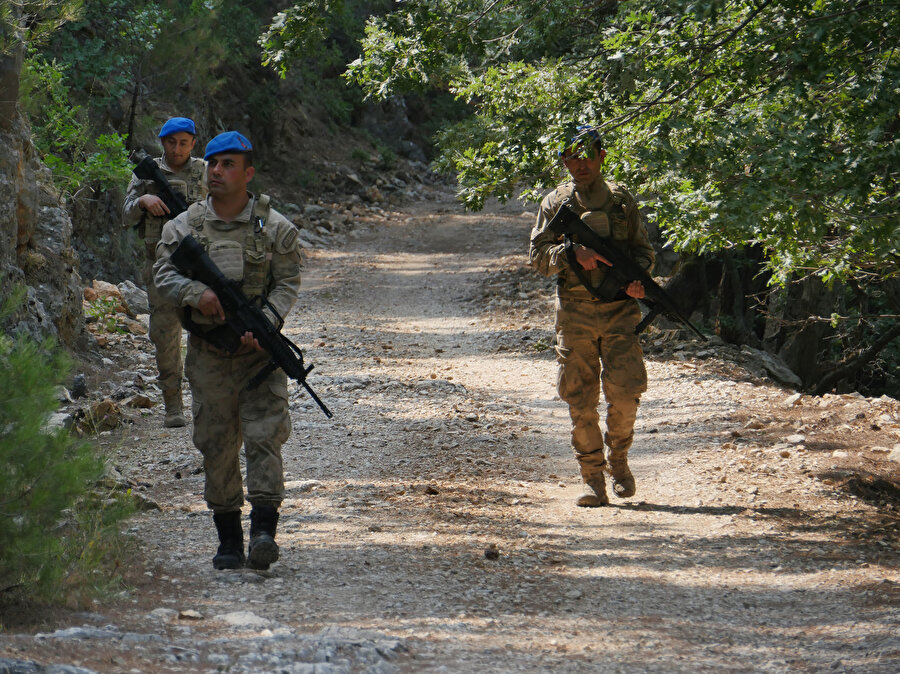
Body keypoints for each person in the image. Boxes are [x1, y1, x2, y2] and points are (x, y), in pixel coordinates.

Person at [153, 131, 302, 571]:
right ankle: (229, 541)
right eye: (213, 163)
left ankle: (264, 533)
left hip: (260, 358)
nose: (216, 171)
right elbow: (163, 273)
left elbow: (287, 281)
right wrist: (196, 293)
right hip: (209, 356)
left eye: (228, 164)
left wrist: (267, 321)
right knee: (216, 445)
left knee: (264, 438)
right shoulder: (183, 227)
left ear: (248, 173)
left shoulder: (275, 228)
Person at [529, 126, 655, 507]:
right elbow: (538, 258)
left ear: (602, 156)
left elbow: (644, 254)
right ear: (564, 161)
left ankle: (619, 460)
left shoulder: (621, 202)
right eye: (572, 156)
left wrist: (637, 283)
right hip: (575, 315)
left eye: (587, 155)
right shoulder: (555, 204)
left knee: (626, 394)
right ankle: (593, 480)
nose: (580, 163)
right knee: (580, 400)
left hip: (620, 312)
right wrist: (571, 255)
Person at [122, 117, 207, 428]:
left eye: (184, 143)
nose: (177, 148)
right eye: (172, 142)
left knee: (204, 333)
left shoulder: (205, 171)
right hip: (160, 265)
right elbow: (126, 215)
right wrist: (142, 201)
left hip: (200, 266)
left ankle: (206, 402)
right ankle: (173, 405)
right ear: (162, 142)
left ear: (193, 143)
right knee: (165, 334)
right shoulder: (146, 174)